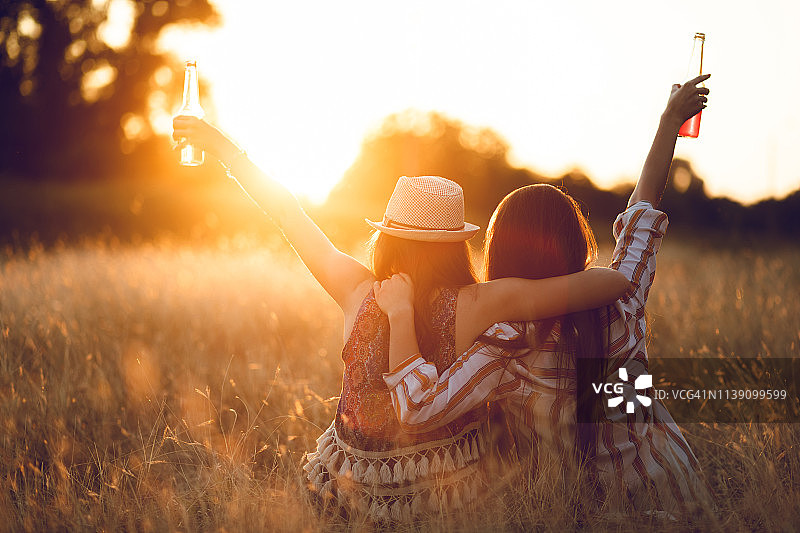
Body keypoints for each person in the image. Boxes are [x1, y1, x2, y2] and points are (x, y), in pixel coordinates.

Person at [171, 118, 631, 521]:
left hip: (345, 488)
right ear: (455, 245)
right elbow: (608, 284)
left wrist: (219, 145)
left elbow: (286, 212)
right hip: (443, 496)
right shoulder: (480, 303)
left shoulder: (356, 290)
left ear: (387, 239)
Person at [373, 75, 713, 517]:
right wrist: (669, 123)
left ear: (499, 254)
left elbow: (418, 409)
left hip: (591, 517)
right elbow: (641, 211)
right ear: (576, 242)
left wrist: (400, 314)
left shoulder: (507, 341)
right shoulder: (622, 298)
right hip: (676, 495)